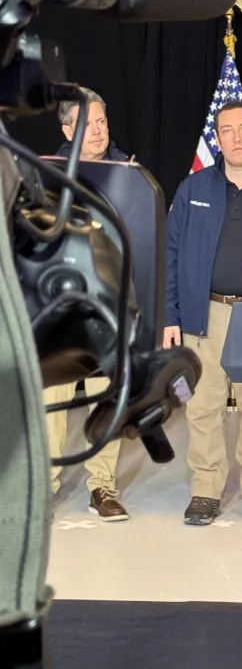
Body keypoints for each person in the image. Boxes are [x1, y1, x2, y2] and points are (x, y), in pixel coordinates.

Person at [164, 101, 242, 527]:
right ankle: (206, 489)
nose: (236, 138)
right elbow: (171, 255)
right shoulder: (193, 188)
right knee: (202, 406)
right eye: (226, 130)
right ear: (217, 138)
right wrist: (169, 316)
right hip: (203, 314)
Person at [45, 87, 131, 521]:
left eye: (101, 122)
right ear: (67, 130)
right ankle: (46, 487)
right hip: (59, 308)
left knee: (106, 397)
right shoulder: (46, 173)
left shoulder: (127, 173)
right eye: (86, 125)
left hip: (109, 306)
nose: (97, 132)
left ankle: (102, 487)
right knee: (51, 405)